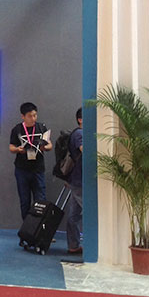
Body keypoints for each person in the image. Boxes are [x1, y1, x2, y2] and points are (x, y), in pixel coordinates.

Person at [9, 102, 53, 220]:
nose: (33, 118)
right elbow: (11, 147)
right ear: (23, 116)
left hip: (38, 169)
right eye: (30, 116)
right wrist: (18, 149)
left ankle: (40, 227)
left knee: (40, 200)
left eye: (35, 115)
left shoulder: (41, 127)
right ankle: (26, 227)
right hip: (22, 170)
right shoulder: (17, 129)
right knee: (25, 201)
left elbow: (50, 145)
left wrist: (45, 147)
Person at [66, 108, 83, 255]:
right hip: (80, 180)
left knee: (74, 215)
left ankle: (73, 245)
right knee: (89, 212)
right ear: (80, 120)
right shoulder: (79, 134)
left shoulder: (77, 133)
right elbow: (85, 150)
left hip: (77, 180)